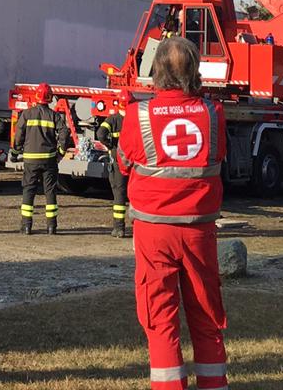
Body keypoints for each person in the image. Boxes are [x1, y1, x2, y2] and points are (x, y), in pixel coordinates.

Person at [118, 38, 229, 390]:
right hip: (199, 227)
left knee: (159, 315)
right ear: (194, 70)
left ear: (157, 70)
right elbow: (217, 156)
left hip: (154, 230)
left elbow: (123, 162)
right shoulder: (214, 113)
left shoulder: (139, 114)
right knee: (206, 312)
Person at [12, 82, 69, 235]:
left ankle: (26, 226)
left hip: (30, 160)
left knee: (28, 191)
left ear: (36, 96)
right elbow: (65, 133)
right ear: (50, 98)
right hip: (49, 160)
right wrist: (60, 152)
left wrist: (15, 151)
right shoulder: (54, 116)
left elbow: (18, 135)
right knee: (50, 192)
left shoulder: (26, 114)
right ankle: (51, 227)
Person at [95, 90, 131, 238]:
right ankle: (138, 225)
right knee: (134, 194)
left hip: (118, 161)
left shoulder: (112, 119)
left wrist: (110, 146)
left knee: (119, 194)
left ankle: (119, 228)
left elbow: (101, 134)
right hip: (134, 161)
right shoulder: (135, 119)